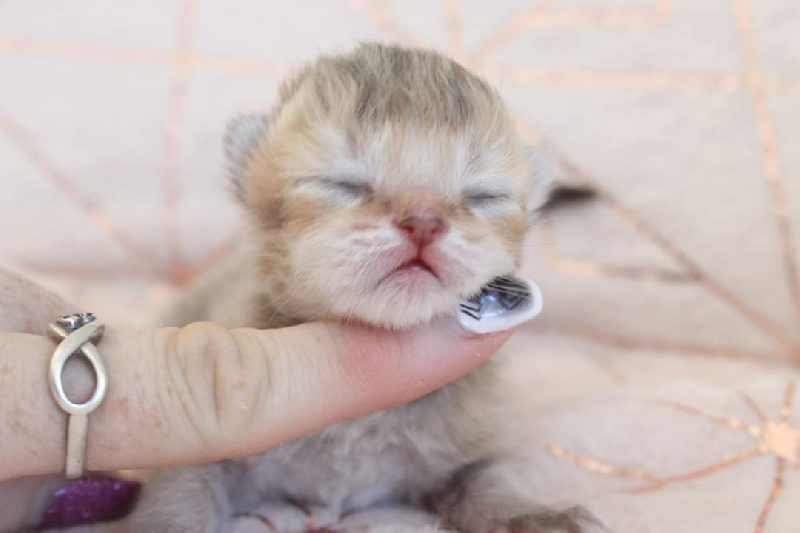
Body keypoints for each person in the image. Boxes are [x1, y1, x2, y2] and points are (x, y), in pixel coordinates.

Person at [0, 268, 513, 530]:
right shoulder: (240, 324)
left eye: (479, 197)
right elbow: (202, 463)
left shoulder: (470, 398)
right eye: (347, 190)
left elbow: (468, 470)